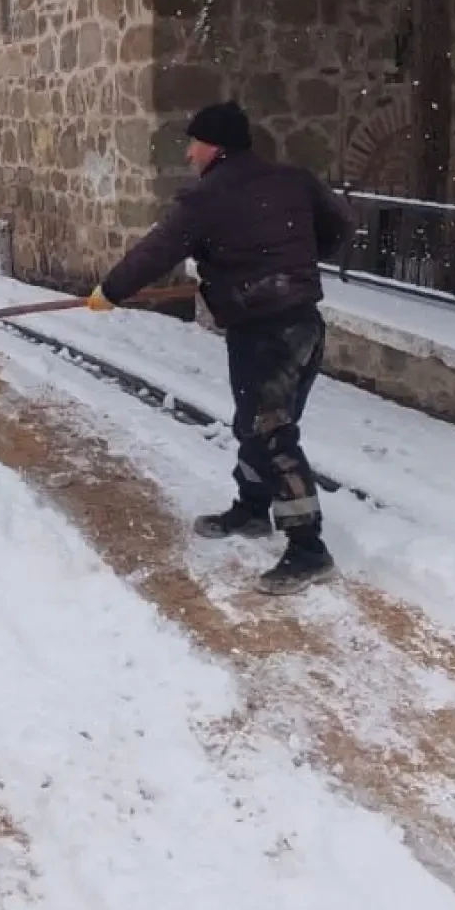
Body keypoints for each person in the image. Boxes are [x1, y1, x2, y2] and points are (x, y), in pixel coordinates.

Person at [86, 101, 353, 596]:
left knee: (271, 433)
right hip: (302, 325)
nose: (188, 155)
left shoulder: (205, 198)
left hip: (264, 329)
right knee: (258, 422)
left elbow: (157, 250)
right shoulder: (293, 179)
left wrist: (111, 291)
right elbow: (338, 224)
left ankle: (308, 549)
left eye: (193, 144)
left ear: (215, 146)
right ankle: (253, 509)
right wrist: (295, 260)